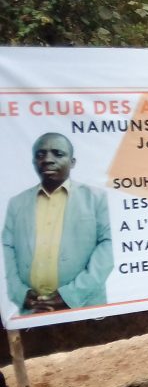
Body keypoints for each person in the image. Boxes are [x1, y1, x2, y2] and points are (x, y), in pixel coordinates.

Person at [2, 133, 113, 314]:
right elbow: (6, 247)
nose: (47, 160)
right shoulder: (17, 203)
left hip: (83, 305)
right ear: (33, 162)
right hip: (31, 309)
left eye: (58, 154)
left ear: (73, 162)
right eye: (40, 155)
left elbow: (109, 246)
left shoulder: (96, 198)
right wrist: (21, 294)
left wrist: (70, 294)